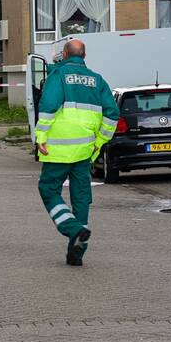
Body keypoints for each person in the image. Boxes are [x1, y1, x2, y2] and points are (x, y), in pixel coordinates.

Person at [34, 39, 119, 267]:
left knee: (48, 189)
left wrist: (40, 136)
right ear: (85, 56)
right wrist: (99, 142)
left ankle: (73, 229)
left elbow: (49, 106)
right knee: (81, 200)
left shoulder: (58, 76)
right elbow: (112, 114)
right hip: (84, 151)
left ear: (64, 54)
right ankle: (77, 253)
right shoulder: (98, 81)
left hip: (58, 150)